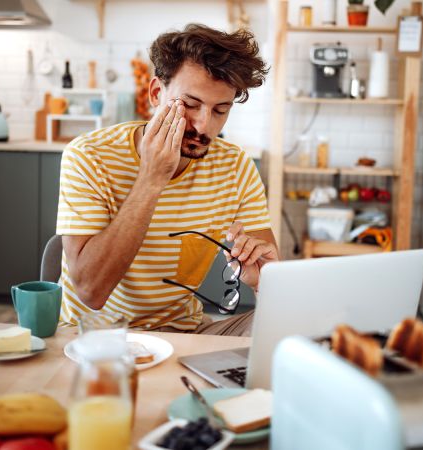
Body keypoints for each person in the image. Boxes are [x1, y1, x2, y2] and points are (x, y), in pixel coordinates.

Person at [56, 24, 277, 336]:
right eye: (190, 105)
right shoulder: (88, 156)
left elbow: (275, 289)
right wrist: (151, 178)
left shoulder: (236, 167)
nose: (204, 125)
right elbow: (91, 292)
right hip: (97, 338)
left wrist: (263, 282)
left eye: (220, 110)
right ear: (157, 93)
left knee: (291, 330)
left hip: (185, 333)